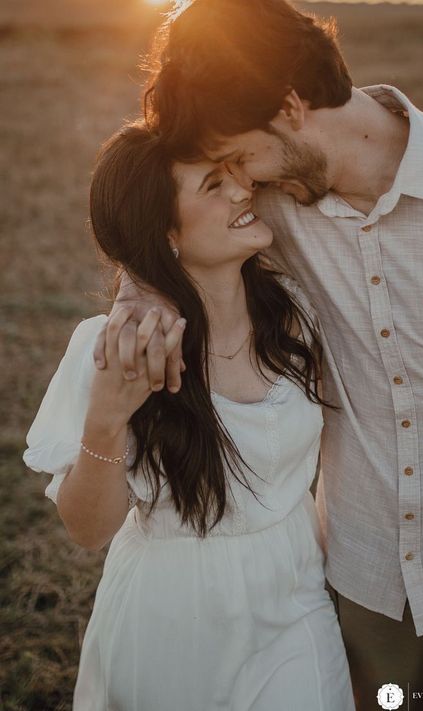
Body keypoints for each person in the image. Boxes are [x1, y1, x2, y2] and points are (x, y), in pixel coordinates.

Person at [101, 1, 423, 708]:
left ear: (293, 105)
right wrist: (140, 287)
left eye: (237, 154)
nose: (239, 181)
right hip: (368, 594)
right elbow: (164, 212)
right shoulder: (271, 203)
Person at [23, 122, 355, 711]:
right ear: (167, 234)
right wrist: (106, 419)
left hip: (294, 593)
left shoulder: (298, 314)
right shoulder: (115, 349)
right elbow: (89, 529)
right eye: (212, 185)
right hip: (170, 615)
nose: (241, 191)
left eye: (234, 173)